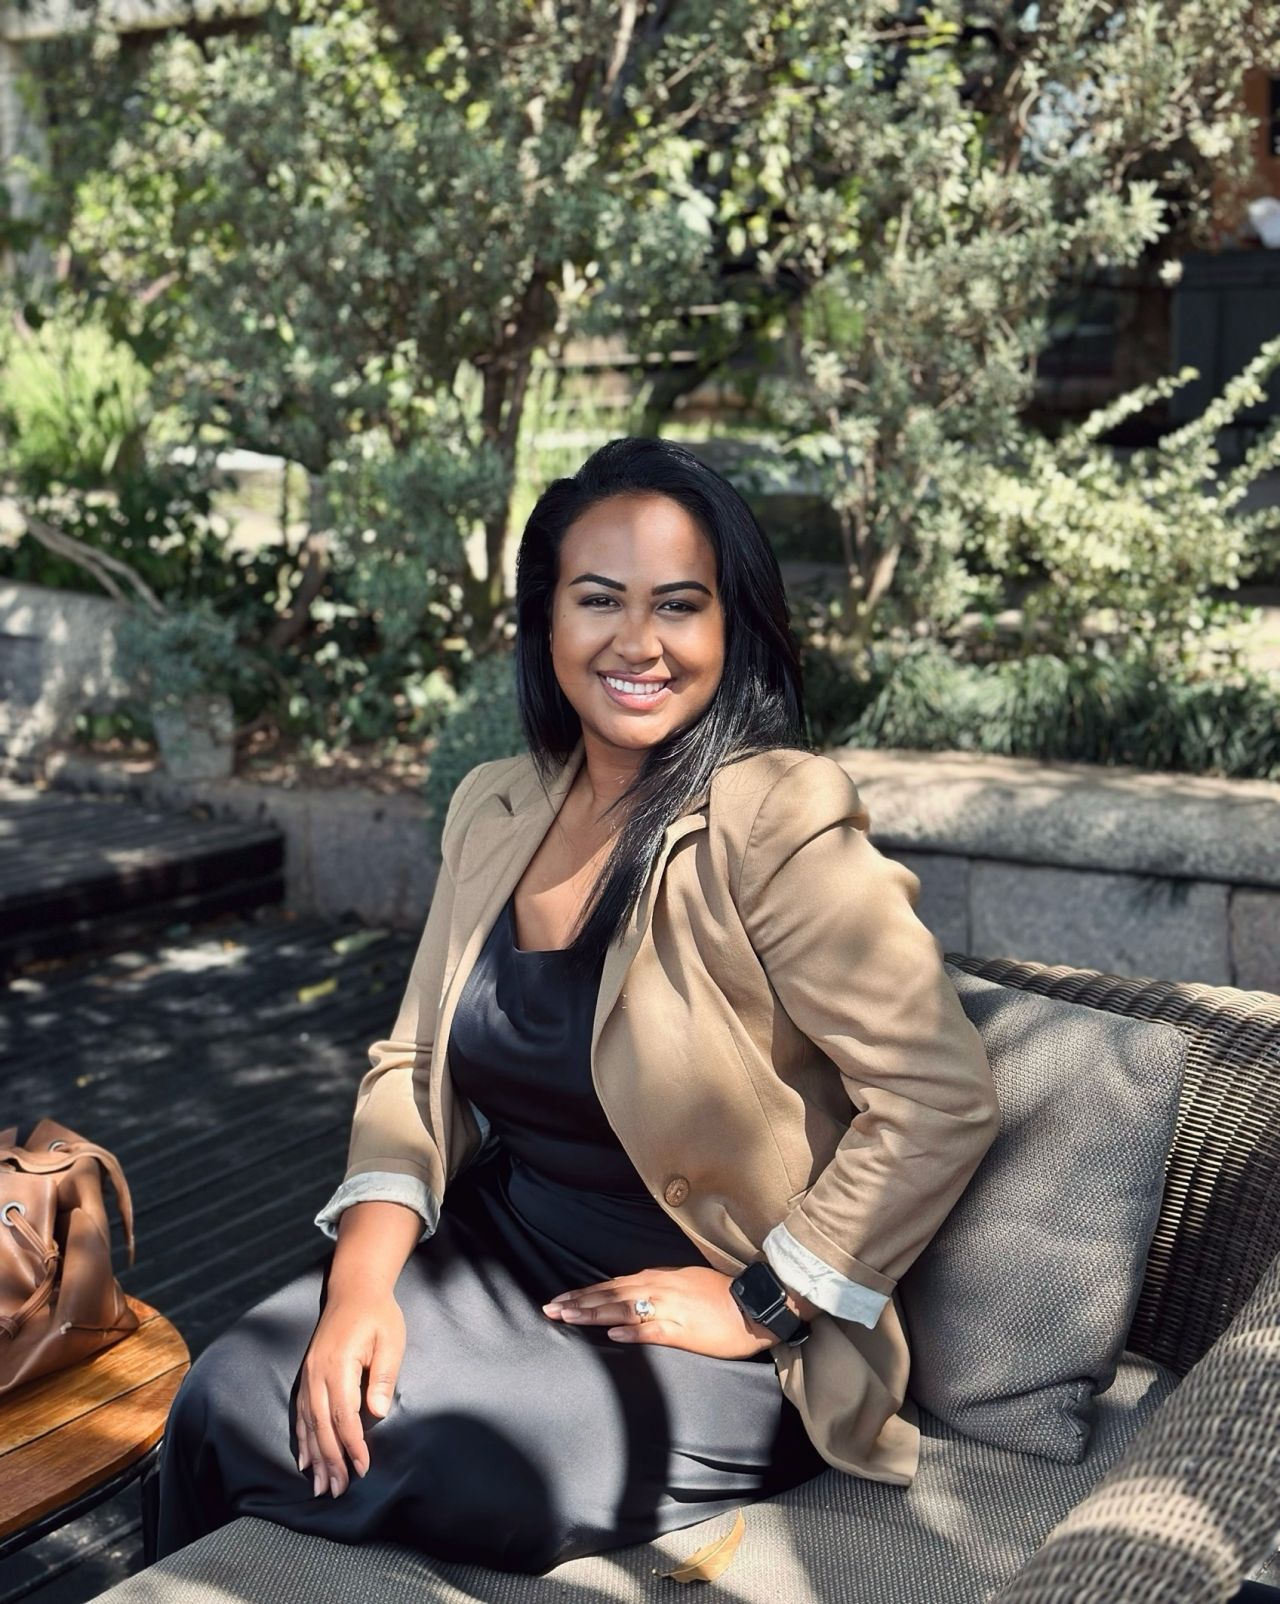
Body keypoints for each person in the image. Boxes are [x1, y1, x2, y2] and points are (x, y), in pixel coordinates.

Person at [152, 436, 1001, 1573]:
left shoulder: (775, 820)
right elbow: (413, 1067)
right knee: (226, 1396)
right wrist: (357, 1289)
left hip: (717, 1328)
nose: (637, 641)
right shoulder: (496, 805)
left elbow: (939, 1094)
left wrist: (762, 1299)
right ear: (545, 622)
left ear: (731, 628)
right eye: (598, 598)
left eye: (679, 605)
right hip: (505, 1250)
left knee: (461, 1458)